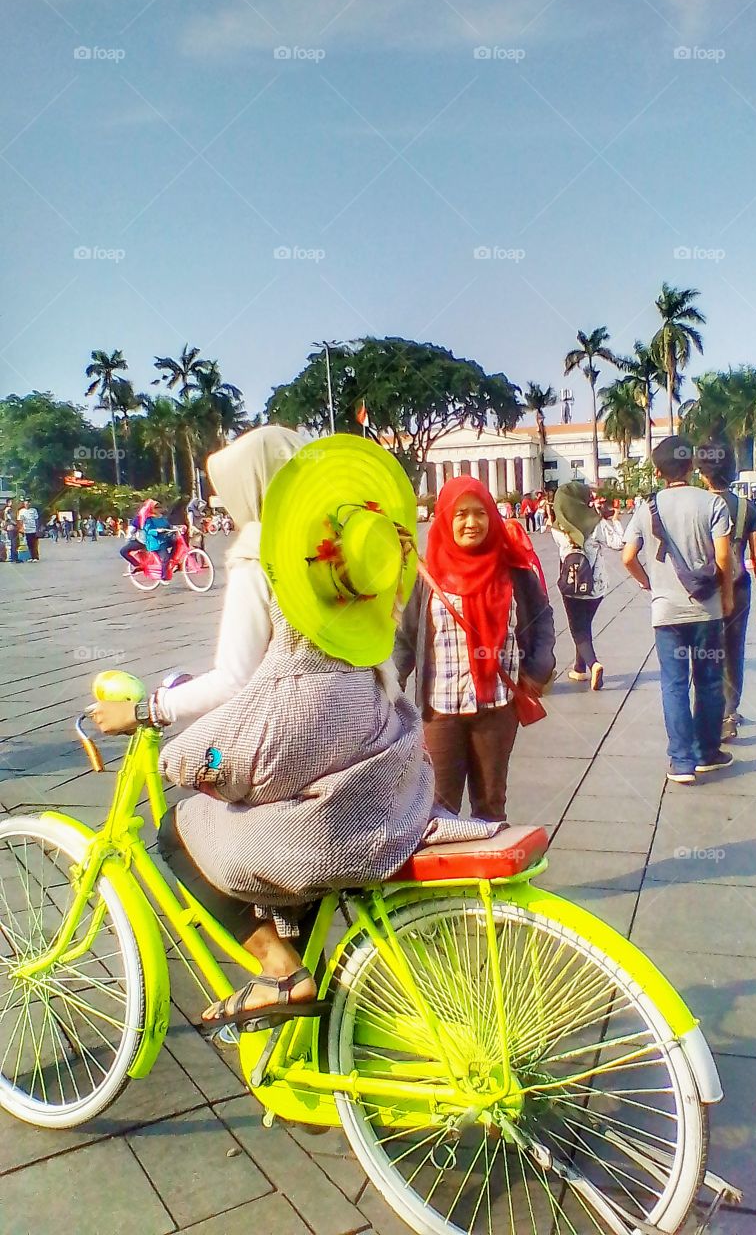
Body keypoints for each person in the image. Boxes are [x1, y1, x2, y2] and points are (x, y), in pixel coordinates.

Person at [152, 435, 485, 1031]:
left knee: (180, 825)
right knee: (295, 877)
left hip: (313, 760)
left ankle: (281, 974)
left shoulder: (264, 555)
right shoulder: (352, 551)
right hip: (383, 754)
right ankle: (321, 1038)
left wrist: (160, 719)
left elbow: (238, 686)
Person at [94, 427, 307, 736]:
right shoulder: (349, 541)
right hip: (379, 726)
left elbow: (233, 680)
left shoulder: (260, 555)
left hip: (300, 731)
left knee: (187, 760)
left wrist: (145, 711)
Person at [395, 475, 556, 823]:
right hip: (440, 710)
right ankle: (450, 877)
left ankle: (494, 876)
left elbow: (542, 619)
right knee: (438, 808)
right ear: (445, 518)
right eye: (461, 514)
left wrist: (539, 668)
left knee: (491, 803)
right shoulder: (425, 576)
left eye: (480, 513)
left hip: (497, 707)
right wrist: (388, 689)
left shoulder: (513, 569)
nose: (472, 522)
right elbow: (405, 638)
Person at [622, 435, 735, 784]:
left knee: (673, 685)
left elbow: (627, 557)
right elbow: (723, 558)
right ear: (692, 466)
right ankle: (708, 753)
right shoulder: (712, 504)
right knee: (709, 682)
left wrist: (650, 584)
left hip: (666, 612)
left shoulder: (647, 508)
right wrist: (727, 596)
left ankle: (681, 761)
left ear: (658, 472)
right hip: (706, 611)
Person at [696, 443, 756, 741]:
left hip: (705, 589)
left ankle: (708, 711)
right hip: (739, 587)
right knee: (733, 650)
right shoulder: (746, 507)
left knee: (706, 650)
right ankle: (730, 713)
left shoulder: (700, 505)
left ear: (702, 473)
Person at [551, 481, 609, 690]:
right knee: (584, 626)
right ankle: (579, 668)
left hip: (572, 583)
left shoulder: (558, 529)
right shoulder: (597, 524)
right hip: (597, 585)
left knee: (578, 629)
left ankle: (593, 664)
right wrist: (611, 519)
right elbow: (618, 542)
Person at [118, 500, 176, 582]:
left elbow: (132, 530)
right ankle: (138, 565)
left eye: (159, 507)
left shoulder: (150, 517)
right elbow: (138, 529)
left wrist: (129, 539)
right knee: (123, 551)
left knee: (123, 551)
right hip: (147, 541)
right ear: (151, 508)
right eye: (156, 507)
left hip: (148, 541)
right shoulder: (146, 518)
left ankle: (138, 565)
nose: (158, 509)